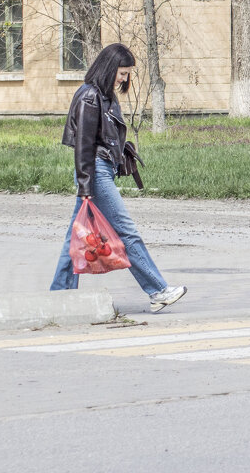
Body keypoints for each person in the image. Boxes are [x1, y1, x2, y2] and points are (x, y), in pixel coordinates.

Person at [50, 43, 186, 312]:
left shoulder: (103, 95)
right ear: (109, 68)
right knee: (126, 232)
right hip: (95, 173)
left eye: (127, 74)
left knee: (75, 237)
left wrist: (121, 150)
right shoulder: (90, 97)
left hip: (100, 171)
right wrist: (86, 185)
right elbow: (84, 146)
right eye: (122, 73)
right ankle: (158, 290)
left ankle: (59, 296)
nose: (124, 79)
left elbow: (102, 136)